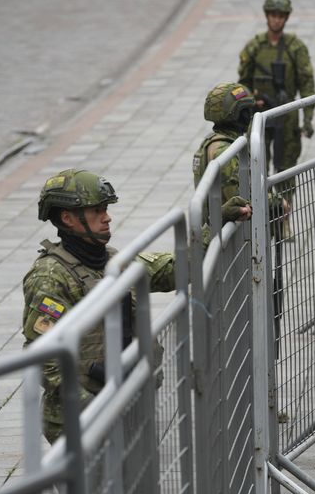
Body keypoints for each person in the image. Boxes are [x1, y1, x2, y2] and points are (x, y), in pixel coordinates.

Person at [23, 169, 175, 443]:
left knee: (133, 484)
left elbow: (167, 270)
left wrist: (213, 226)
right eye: (96, 211)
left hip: (126, 403)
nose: (107, 217)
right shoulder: (51, 275)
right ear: (68, 218)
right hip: (83, 418)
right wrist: (89, 405)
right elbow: (43, 355)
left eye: (105, 209)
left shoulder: (110, 260)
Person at [238, 0, 315, 239]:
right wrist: (249, 105)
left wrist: (307, 119)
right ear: (266, 16)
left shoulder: (295, 48)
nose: (277, 20)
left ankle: (283, 219)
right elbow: (242, 83)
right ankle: (259, 217)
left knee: (285, 171)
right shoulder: (255, 47)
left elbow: (307, 84)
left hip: (286, 116)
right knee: (256, 167)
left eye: (281, 16)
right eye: (273, 15)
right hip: (260, 117)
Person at [193, 81, 255, 245]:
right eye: (245, 111)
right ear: (235, 114)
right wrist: (276, 201)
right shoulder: (224, 150)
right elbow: (240, 197)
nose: (249, 117)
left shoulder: (212, 142)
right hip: (225, 241)